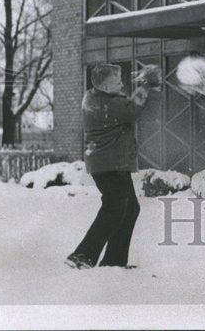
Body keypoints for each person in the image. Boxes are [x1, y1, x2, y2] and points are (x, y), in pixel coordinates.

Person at [66, 62, 160, 269]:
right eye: (117, 81)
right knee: (115, 208)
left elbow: (125, 105)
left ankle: (114, 261)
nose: (121, 84)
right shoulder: (108, 104)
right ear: (106, 87)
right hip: (110, 164)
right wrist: (144, 85)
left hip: (110, 163)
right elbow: (133, 110)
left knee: (129, 209)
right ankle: (82, 255)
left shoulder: (96, 96)